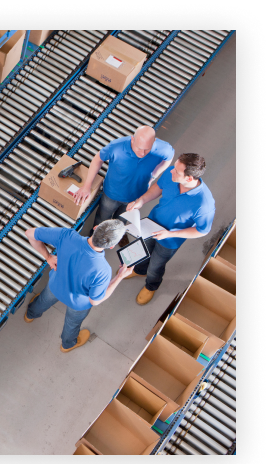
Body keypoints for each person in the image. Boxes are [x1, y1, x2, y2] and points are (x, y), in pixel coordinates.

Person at [23, 219, 134, 353]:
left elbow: (29, 233)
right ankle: (67, 344)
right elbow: (95, 300)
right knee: (72, 324)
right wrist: (119, 276)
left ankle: (30, 315)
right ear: (111, 246)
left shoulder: (66, 235)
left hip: (56, 286)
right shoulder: (103, 270)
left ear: (96, 227)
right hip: (78, 304)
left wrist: (48, 257)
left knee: (42, 300)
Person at [124, 153, 216, 305]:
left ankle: (151, 285)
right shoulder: (172, 173)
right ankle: (139, 270)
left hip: (170, 240)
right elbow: (158, 187)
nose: (171, 170)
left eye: (177, 171)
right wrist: (141, 200)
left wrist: (170, 234)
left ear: (189, 179)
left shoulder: (204, 204)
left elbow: (202, 230)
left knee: (156, 265)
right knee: (141, 250)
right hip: (151, 223)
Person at [74, 125, 174, 246]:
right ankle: (95, 239)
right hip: (112, 194)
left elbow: (169, 158)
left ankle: (115, 236)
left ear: (154, 141)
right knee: (102, 218)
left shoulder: (163, 149)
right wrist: (87, 186)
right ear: (132, 139)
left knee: (120, 221)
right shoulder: (117, 147)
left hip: (135, 197)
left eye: (147, 149)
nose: (142, 153)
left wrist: (153, 175)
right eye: (139, 148)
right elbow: (97, 159)